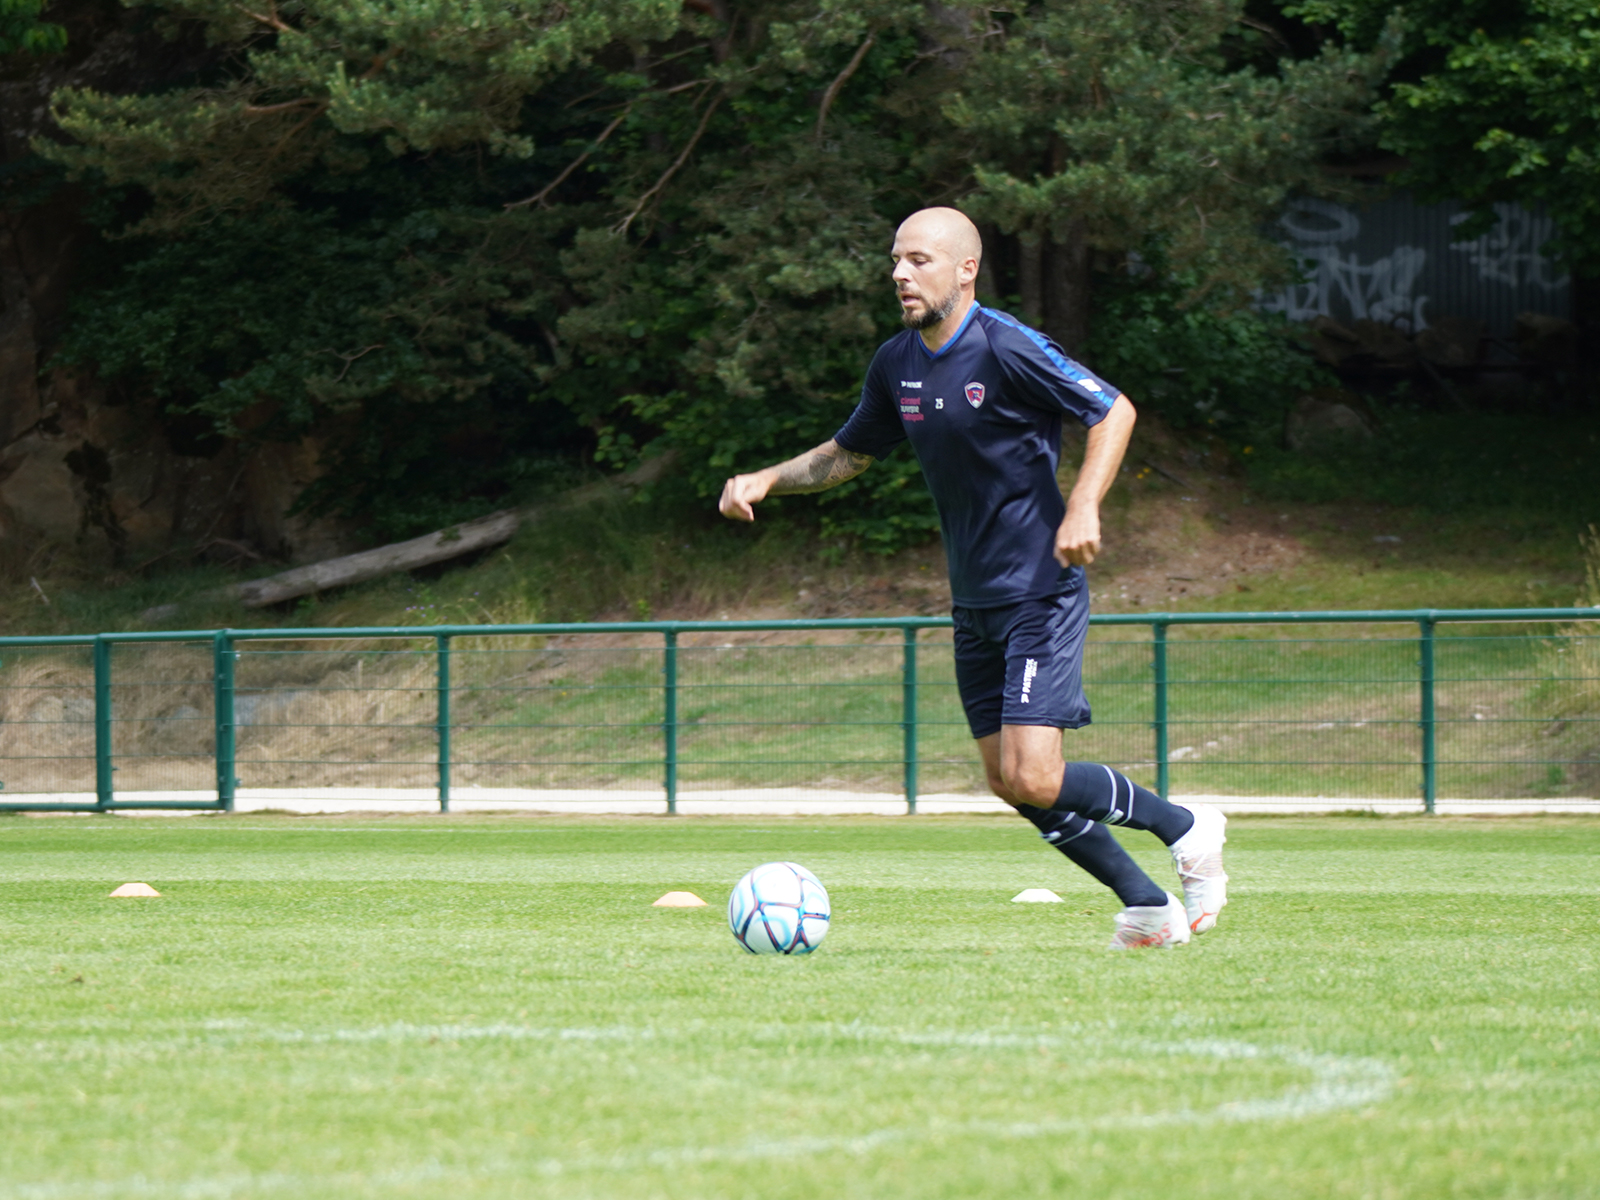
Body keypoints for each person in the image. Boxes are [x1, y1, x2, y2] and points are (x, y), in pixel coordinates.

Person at [718, 207, 1227, 949]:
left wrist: (1082, 505)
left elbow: (1112, 410)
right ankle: (1147, 905)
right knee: (1007, 780)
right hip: (973, 601)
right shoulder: (898, 363)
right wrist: (767, 478)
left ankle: (1185, 827)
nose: (898, 273)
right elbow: (848, 453)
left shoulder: (1006, 346)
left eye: (918, 260)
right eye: (895, 260)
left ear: (965, 270)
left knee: (1037, 776)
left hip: (1039, 590)